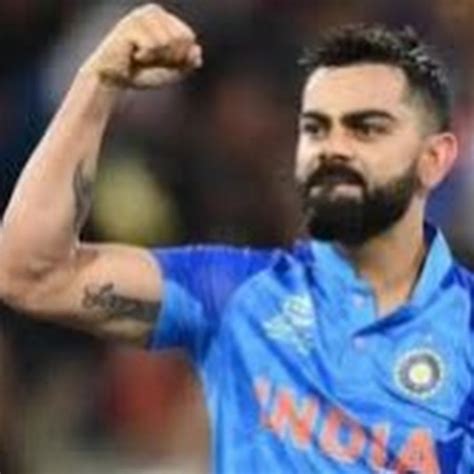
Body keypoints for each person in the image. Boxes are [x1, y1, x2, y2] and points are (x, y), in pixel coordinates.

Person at [0, 4, 472, 473]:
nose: (333, 149)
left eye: (367, 128)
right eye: (316, 128)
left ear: (433, 158)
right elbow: (31, 273)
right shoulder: (240, 294)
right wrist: (97, 83)